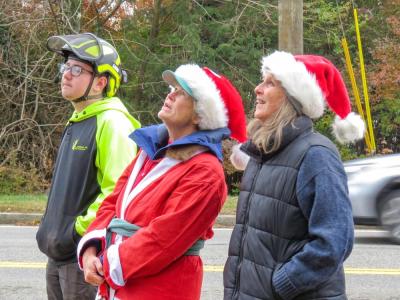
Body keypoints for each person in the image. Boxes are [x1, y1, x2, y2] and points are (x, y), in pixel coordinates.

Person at [76, 64, 247, 299]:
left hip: (161, 289)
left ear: (201, 114)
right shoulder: (149, 152)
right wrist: (90, 250)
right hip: (118, 286)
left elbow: (162, 239)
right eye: (173, 87)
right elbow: (111, 203)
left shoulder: (206, 173)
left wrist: (104, 264)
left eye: (182, 92)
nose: (171, 94)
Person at [224, 51, 365, 300]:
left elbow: (334, 241)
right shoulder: (261, 154)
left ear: (293, 97)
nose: (257, 89)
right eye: (262, 80)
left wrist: (284, 283)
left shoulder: (316, 155)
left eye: (270, 83)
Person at [36, 33, 141, 300]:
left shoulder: (112, 123)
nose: (66, 75)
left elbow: (118, 192)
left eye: (76, 69)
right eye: (65, 67)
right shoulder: (78, 119)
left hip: (80, 257)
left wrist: (78, 231)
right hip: (58, 255)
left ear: (100, 83)